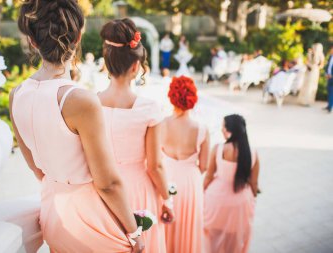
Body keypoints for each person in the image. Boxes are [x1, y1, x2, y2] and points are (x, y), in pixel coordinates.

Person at [11, 1, 144, 252]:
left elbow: (36, 169)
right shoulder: (79, 100)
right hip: (91, 221)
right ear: (79, 37)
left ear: (33, 41)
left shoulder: (16, 95)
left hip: (53, 213)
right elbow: (108, 183)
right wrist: (134, 231)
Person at [98, 18, 174, 253]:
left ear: (107, 62)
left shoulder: (90, 104)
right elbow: (155, 166)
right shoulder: (149, 108)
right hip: (139, 191)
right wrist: (167, 198)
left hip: (101, 191)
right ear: (135, 67)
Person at [161, 76, 210, 253]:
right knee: (188, 225)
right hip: (190, 182)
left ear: (172, 96)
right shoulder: (202, 128)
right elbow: (204, 165)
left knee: (165, 225)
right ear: (193, 98)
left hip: (166, 179)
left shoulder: (161, 124)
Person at [203, 114, 260, 253]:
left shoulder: (218, 149)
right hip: (240, 204)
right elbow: (254, 184)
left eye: (223, 126)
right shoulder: (252, 153)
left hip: (217, 201)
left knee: (212, 237)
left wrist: (202, 191)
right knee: (234, 241)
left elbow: (209, 176)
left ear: (229, 130)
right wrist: (251, 200)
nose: (221, 129)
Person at [324, 45, 333, 113]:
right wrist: (326, 74)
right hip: (329, 77)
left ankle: (330, 107)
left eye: (331, 49)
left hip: (332, 77)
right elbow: (328, 66)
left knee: (332, 92)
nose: (330, 50)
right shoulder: (330, 57)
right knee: (329, 91)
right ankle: (328, 105)